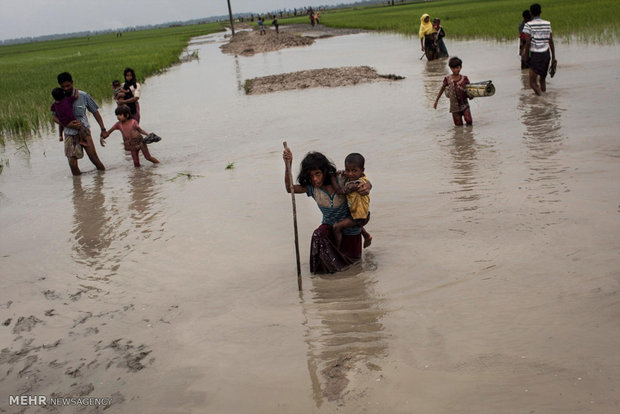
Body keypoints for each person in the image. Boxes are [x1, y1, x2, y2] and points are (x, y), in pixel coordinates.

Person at [283, 148, 371, 274]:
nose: (315, 179)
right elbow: (289, 188)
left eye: (317, 174)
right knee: (318, 235)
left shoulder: (340, 180)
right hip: (330, 228)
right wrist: (288, 164)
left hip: (351, 229)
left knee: (353, 267)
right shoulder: (312, 188)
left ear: (324, 171)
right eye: (311, 176)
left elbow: (362, 180)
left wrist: (367, 186)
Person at [52, 72, 107, 176]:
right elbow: (54, 117)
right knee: (72, 164)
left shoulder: (83, 96)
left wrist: (103, 129)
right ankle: (78, 189)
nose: (66, 89)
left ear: (72, 83)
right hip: (69, 133)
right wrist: (67, 124)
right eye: (63, 87)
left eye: (68, 85)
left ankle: (102, 180)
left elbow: (95, 112)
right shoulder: (58, 98)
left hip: (84, 131)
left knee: (94, 159)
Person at [331, 153, 372, 249]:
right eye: (347, 170)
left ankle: (337, 249)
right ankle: (367, 236)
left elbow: (340, 191)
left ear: (362, 170)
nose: (350, 174)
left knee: (337, 227)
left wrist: (332, 178)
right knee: (354, 224)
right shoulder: (362, 178)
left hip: (358, 217)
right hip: (359, 213)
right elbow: (347, 174)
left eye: (354, 171)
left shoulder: (355, 184)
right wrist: (342, 172)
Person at [522, 3, 556, 95]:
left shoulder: (528, 25)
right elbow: (551, 41)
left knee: (532, 83)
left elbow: (528, 42)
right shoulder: (547, 24)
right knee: (542, 80)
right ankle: (543, 95)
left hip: (535, 55)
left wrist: (526, 57)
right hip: (546, 54)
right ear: (540, 12)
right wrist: (553, 58)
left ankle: (542, 100)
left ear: (530, 13)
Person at [50, 87, 89, 159]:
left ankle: (60, 136)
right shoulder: (67, 100)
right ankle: (82, 140)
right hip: (71, 120)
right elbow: (76, 96)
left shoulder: (55, 104)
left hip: (63, 122)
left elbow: (51, 109)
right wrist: (76, 90)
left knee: (61, 126)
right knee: (80, 127)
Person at [433, 56, 473, 126]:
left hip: (465, 105)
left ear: (460, 67)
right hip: (454, 108)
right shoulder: (447, 79)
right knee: (458, 126)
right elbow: (442, 89)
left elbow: (469, 90)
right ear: (451, 68)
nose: (455, 70)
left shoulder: (465, 78)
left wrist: (471, 96)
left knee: (469, 121)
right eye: (453, 68)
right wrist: (436, 101)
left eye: (457, 68)